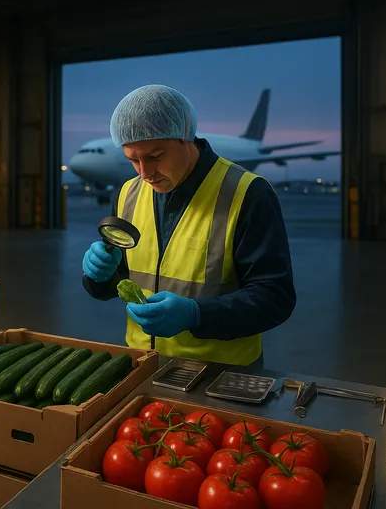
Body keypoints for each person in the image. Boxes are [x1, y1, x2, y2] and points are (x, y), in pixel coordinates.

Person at [81, 84, 296, 367]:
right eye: (133, 160)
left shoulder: (248, 193)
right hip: (143, 365)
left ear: (186, 138)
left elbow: (275, 297)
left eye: (155, 157)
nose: (145, 173)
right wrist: (99, 277)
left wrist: (197, 315)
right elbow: (120, 281)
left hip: (222, 373)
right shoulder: (127, 194)